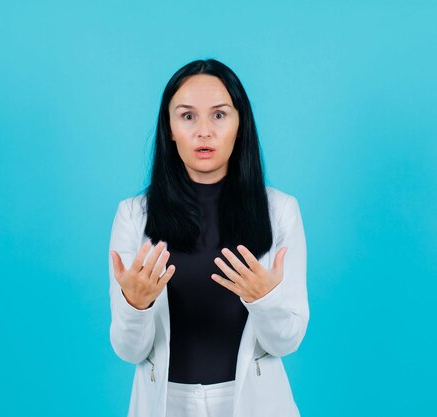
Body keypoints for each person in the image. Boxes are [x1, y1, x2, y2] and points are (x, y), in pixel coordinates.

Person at [108, 58, 309, 417]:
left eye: (219, 115)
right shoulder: (134, 215)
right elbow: (130, 351)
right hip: (166, 404)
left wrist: (265, 299)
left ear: (239, 123)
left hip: (254, 404)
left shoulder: (279, 211)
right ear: (169, 128)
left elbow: (286, 341)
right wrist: (135, 305)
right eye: (187, 116)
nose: (204, 131)